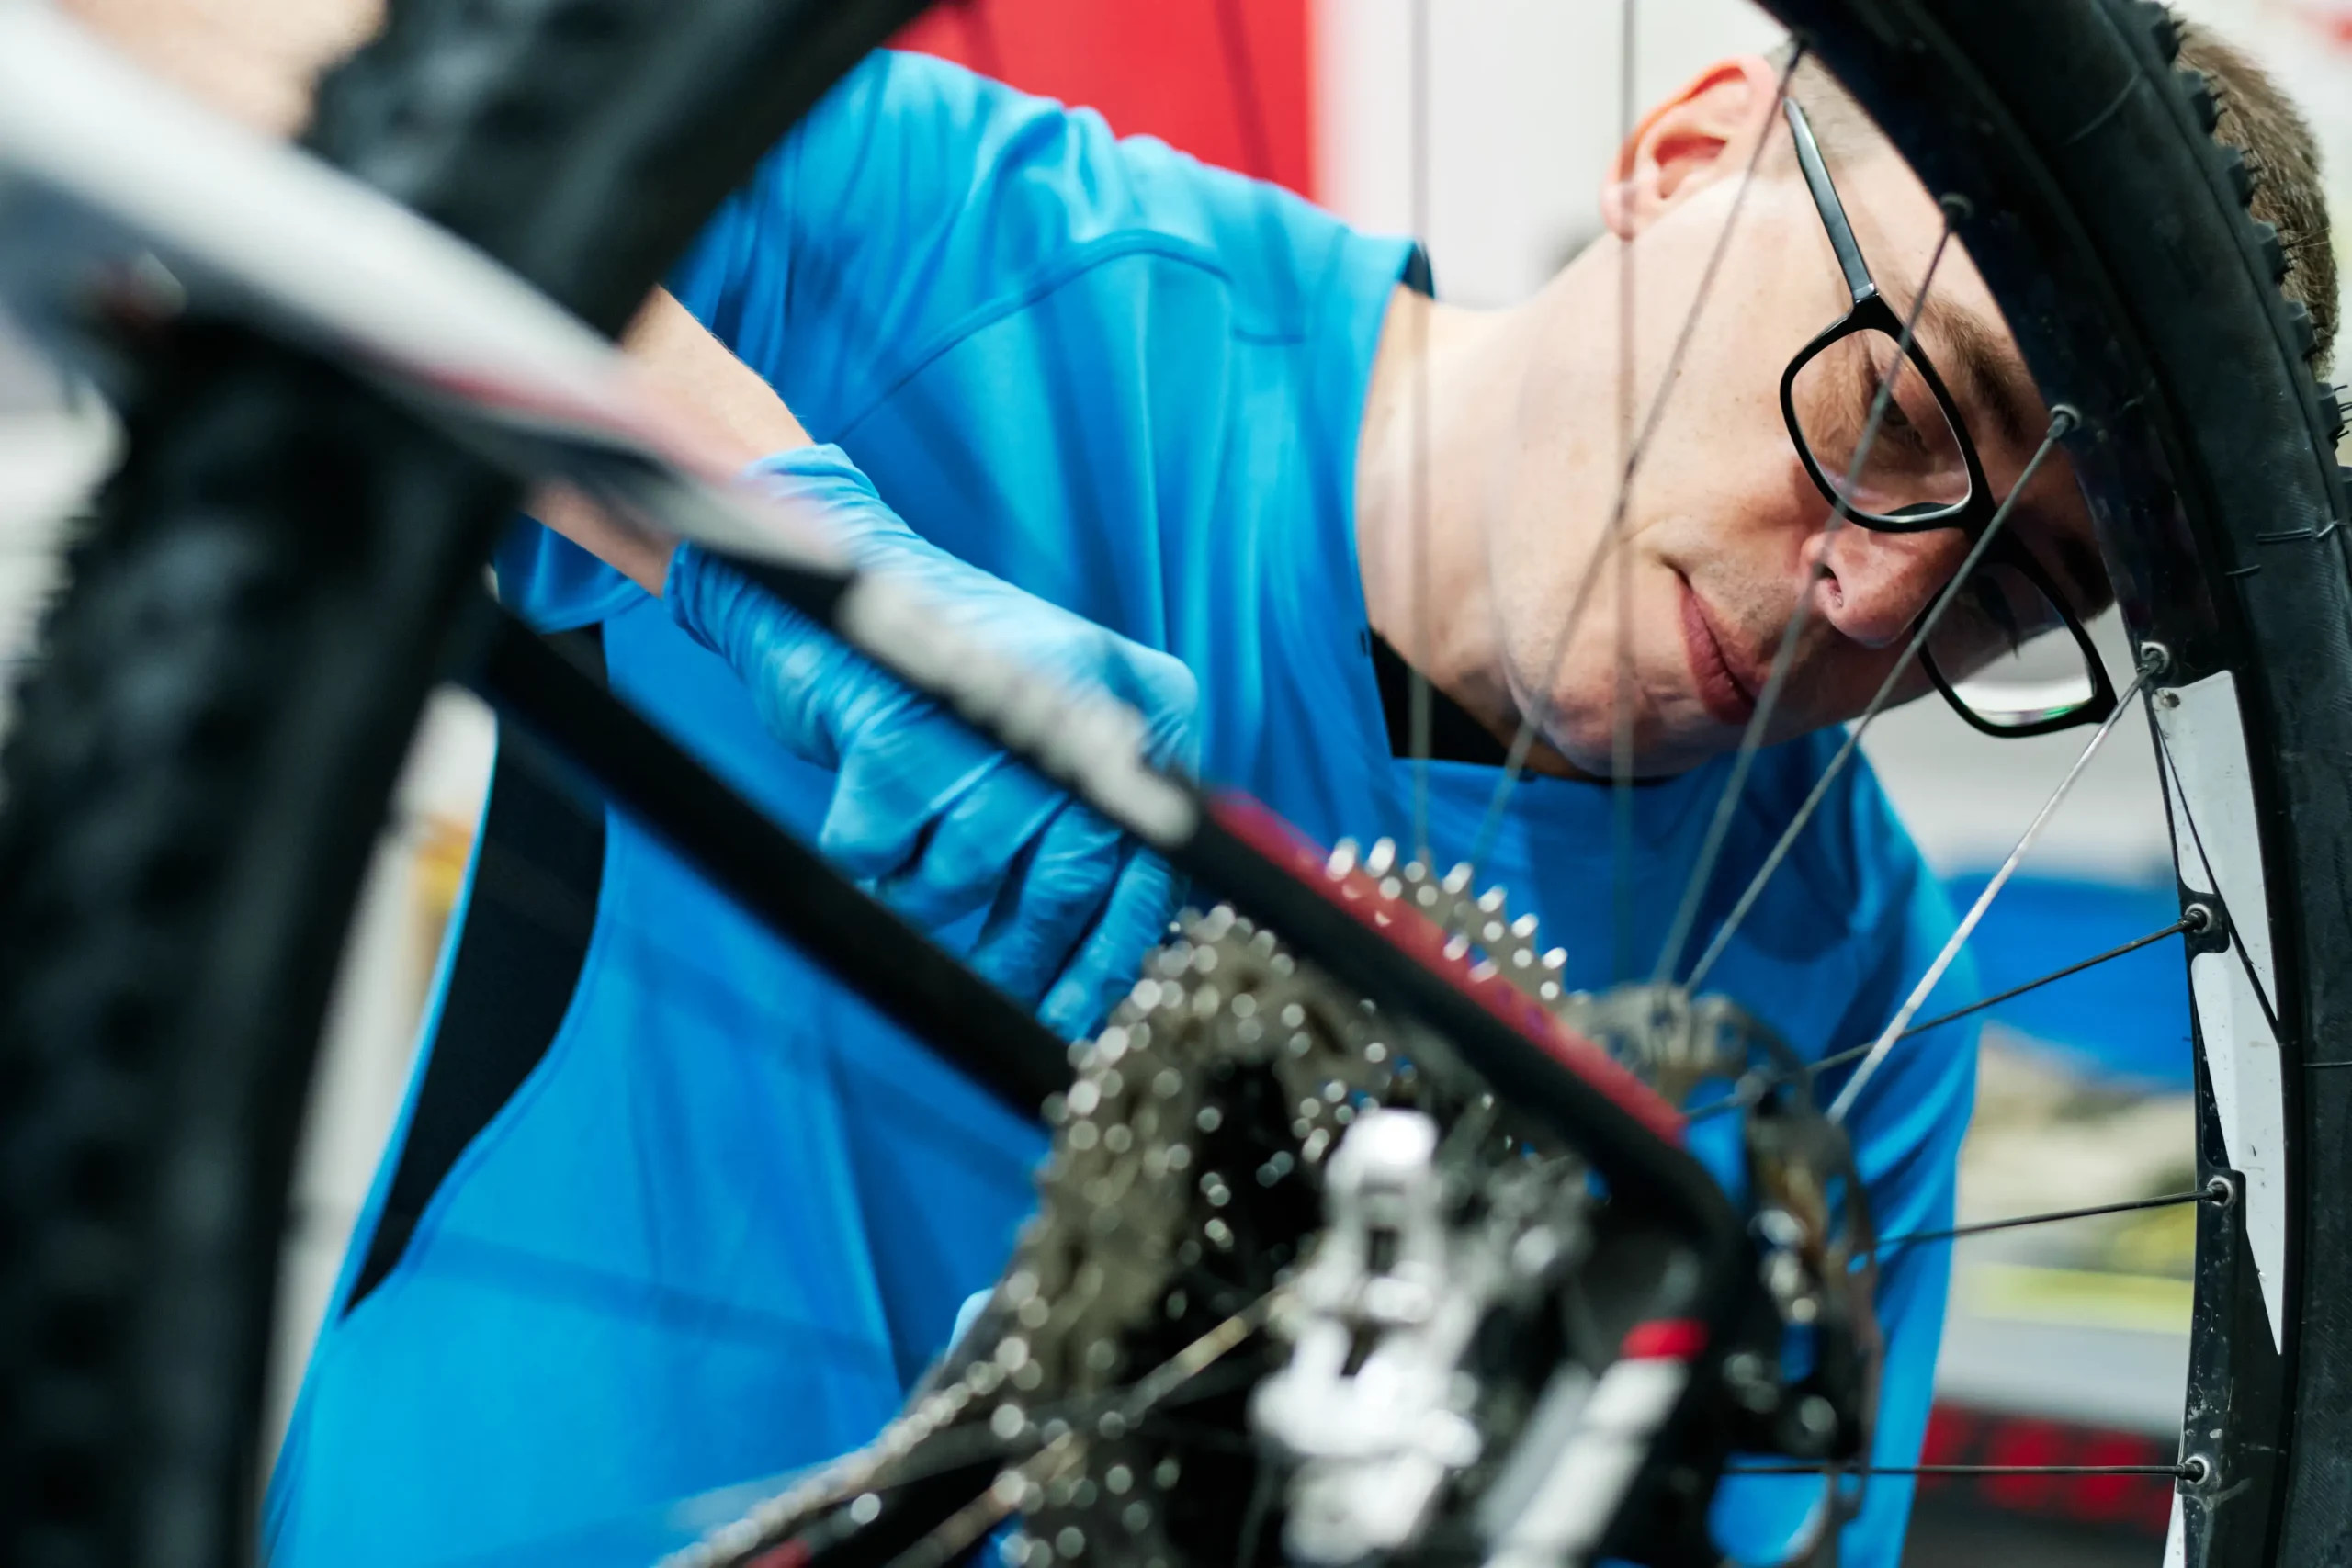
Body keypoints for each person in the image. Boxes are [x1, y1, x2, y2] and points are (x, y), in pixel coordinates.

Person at [62, 3, 2334, 1563]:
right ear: (1682, 148)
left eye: (2011, 591)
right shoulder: (970, 263)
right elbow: (166, 59)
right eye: (1892, 407)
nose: (1866, 593)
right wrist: (771, 542)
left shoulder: (1841, 1011)